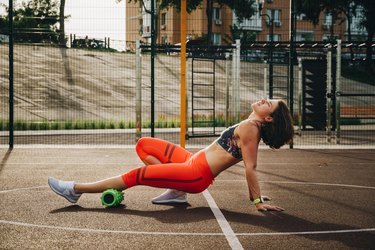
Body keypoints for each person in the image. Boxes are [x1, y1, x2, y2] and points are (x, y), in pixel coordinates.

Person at [48, 98, 294, 212]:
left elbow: (251, 167)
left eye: (269, 103)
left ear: (268, 117)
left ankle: (75, 190)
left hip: (195, 173)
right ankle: (176, 190)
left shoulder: (252, 129)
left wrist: (257, 201)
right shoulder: (251, 125)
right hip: (190, 161)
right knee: (144, 145)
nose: (264, 99)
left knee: (137, 175)